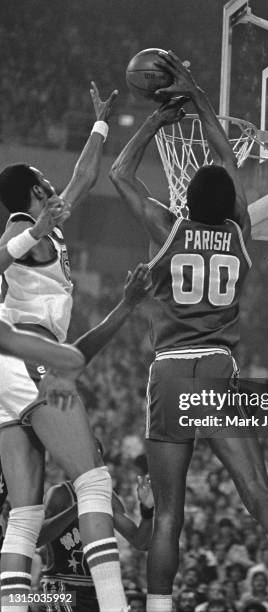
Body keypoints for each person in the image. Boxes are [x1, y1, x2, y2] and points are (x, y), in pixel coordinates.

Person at [110, 50, 268, 612]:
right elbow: (225, 158)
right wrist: (196, 96)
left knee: (169, 514)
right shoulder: (241, 233)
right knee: (258, 493)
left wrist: (157, 120)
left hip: (171, 374)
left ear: (185, 201)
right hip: (220, 371)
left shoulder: (167, 230)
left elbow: (119, 173)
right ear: (230, 206)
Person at [0, 81, 139, 612]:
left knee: (24, 516)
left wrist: (101, 123)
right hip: (30, 360)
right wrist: (29, 232)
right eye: (44, 181)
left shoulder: (46, 226)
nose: (54, 183)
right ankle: (114, 605)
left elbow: (84, 178)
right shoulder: (25, 227)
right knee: (94, 481)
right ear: (35, 188)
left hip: (11, 373)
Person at [37, 457, 154, 612]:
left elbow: (141, 542)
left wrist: (147, 511)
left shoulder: (106, 496)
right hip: (61, 585)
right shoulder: (60, 493)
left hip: (99, 587)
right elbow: (38, 538)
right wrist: (77, 508)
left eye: (97, 456)